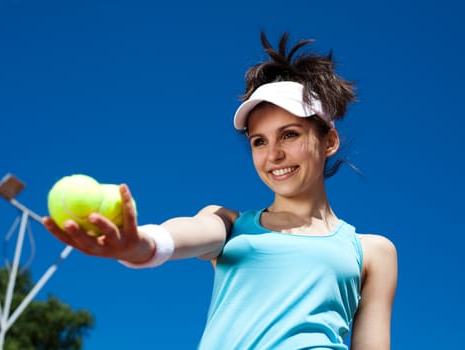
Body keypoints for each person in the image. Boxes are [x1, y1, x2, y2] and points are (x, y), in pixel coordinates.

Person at [43, 31, 398, 349]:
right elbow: (183, 233)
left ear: (329, 141)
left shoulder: (371, 252)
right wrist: (140, 245)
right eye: (259, 142)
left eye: (289, 134)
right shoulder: (229, 224)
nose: (273, 154)